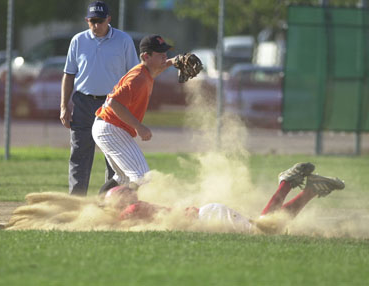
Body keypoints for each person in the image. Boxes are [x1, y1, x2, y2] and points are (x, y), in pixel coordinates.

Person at [101, 162, 345, 234]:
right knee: (265, 225)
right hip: (208, 214)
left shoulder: (131, 211)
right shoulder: (136, 207)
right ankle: (308, 189)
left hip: (208, 217)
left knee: (267, 229)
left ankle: (290, 184)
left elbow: (118, 222)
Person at [60, 1, 139, 196]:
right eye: (92, 21)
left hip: (113, 105)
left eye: (100, 21)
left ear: (109, 19)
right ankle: (76, 204)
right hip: (83, 103)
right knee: (80, 155)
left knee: (115, 157)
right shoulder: (78, 41)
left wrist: (131, 107)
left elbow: (134, 75)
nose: (96, 25)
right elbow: (69, 74)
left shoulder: (123, 40)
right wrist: (64, 106)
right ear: (87, 20)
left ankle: (109, 202)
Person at [92, 34, 177, 193]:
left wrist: (173, 62)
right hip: (110, 128)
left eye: (165, 52)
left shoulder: (145, 72)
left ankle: (99, 208)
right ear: (146, 56)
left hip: (107, 126)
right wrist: (139, 127)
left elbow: (158, 68)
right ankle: (131, 213)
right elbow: (114, 103)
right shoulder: (138, 78)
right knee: (142, 178)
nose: (165, 56)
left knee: (122, 178)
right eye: (160, 54)